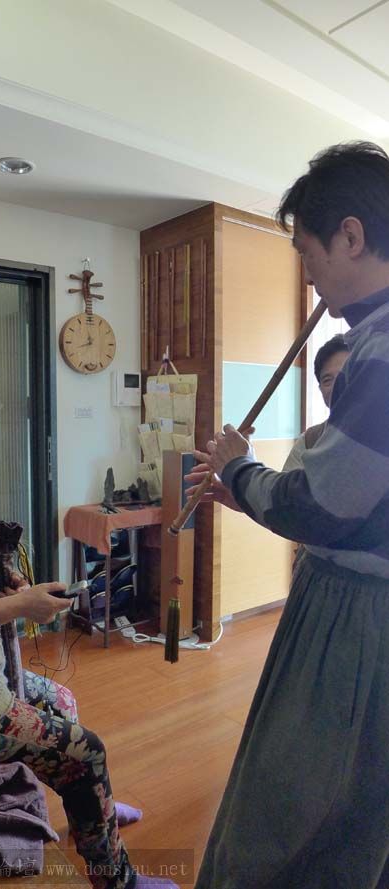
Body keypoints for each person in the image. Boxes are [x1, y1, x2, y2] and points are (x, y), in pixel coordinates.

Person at [0, 360, 177, 889]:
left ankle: (92, 809)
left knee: (62, 702)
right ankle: (118, 879)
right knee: (87, 751)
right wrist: (19, 606)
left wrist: (3, 589)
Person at [187, 142, 389, 889]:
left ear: (350, 236)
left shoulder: (382, 348)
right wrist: (248, 486)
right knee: (360, 820)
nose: (307, 274)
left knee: (282, 818)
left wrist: (239, 469)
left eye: (306, 251)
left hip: (358, 615)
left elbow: (326, 508)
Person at [282, 333, 349, 471]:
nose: (336, 386)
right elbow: (285, 484)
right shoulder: (310, 440)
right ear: (320, 389)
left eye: (344, 375)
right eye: (327, 380)